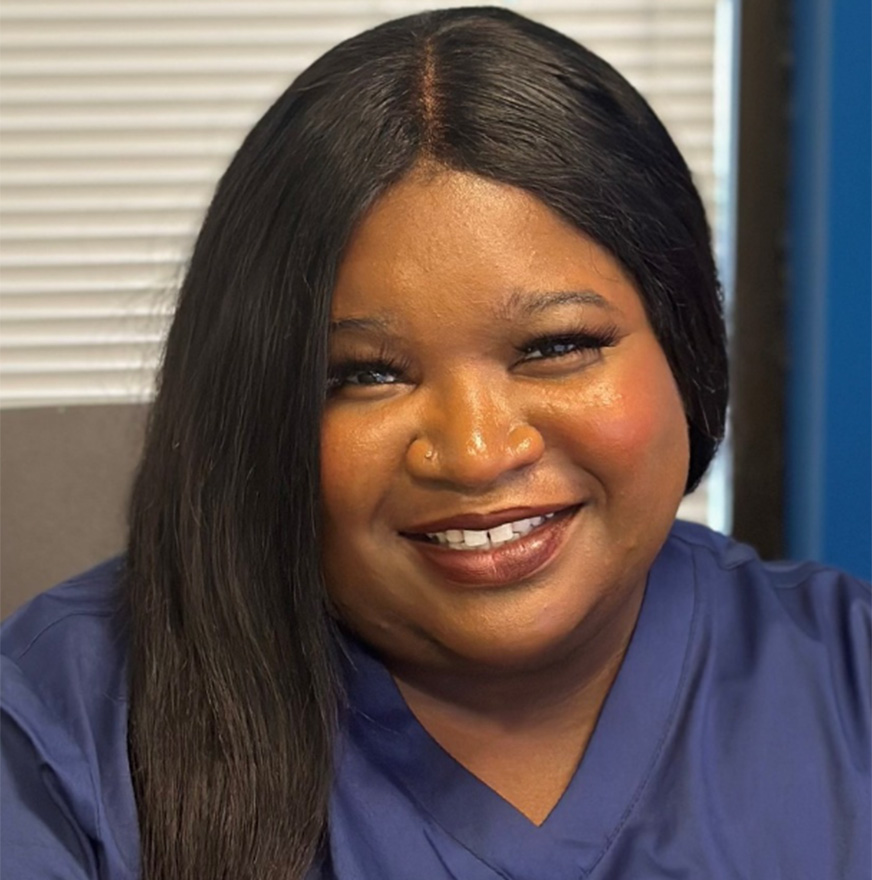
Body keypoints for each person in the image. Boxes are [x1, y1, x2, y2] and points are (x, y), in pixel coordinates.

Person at [1, 7, 869, 880]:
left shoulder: (852, 685)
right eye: (367, 374)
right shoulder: (57, 730)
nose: (478, 451)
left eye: (556, 347)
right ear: (254, 405)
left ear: (684, 347)